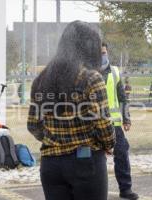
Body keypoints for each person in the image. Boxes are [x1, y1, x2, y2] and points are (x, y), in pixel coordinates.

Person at [27, 21, 115, 200]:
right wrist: (108, 144)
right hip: (85, 162)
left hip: (50, 165)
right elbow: (103, 123)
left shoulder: (42, 79)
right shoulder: (91, 78)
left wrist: (55, 139)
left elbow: (33, 124)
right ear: (89, 48)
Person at [100, 42, 139, 200]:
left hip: (115, 125)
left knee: (122, 155)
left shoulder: (115, 72)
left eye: (104, 52)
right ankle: (96, 192)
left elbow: (122, 98)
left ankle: (126, 189)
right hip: (95, 126)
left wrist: (126, 118)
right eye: (100, 53)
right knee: (96, 160)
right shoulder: (88, 72)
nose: (103, 55)